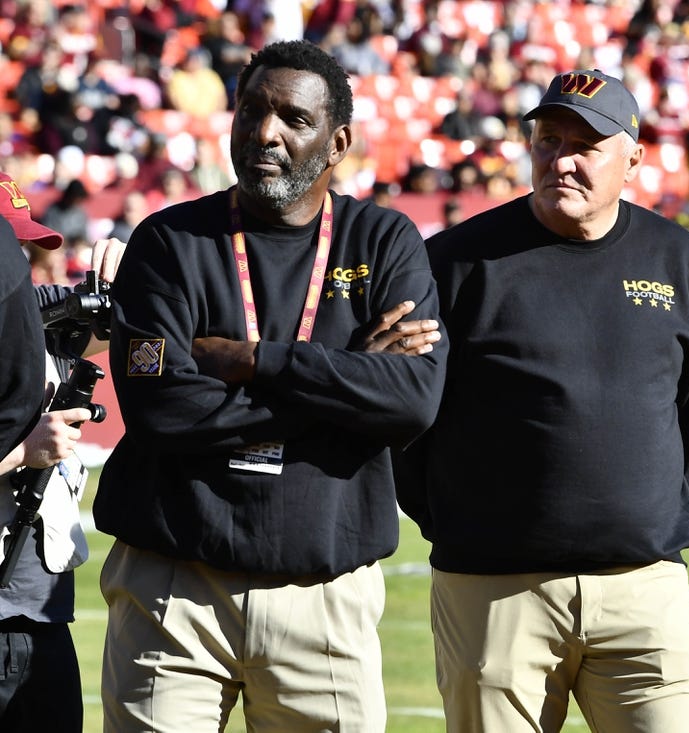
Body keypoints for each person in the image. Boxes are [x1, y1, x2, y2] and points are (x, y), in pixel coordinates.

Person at [91, 40, 447, 732]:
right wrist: (346, 382)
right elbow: (165, 411)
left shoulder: (384, 241)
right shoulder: (168, 242)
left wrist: (260, 362)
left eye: (292, 118)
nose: (265, 132)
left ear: (337, 141)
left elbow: (411, 400)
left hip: (325, 597)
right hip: (175, 588)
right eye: (252, 109)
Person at [395, 69, 689, 732]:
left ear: (633, 158)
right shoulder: (454, 262)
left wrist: (643, 508)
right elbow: (409, 418)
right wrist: (464, 524)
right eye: (548, 140)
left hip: (644, 589)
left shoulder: (676, 257)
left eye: (586, 144)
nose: (562, 160)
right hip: (495, 589)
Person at [0, 169, 126, 733]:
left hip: (44, 608)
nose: (21, 269)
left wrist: (130, 267)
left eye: (25, 252)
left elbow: (115, 318)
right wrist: (24, 451)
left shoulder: (38, 313)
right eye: (14, 248)